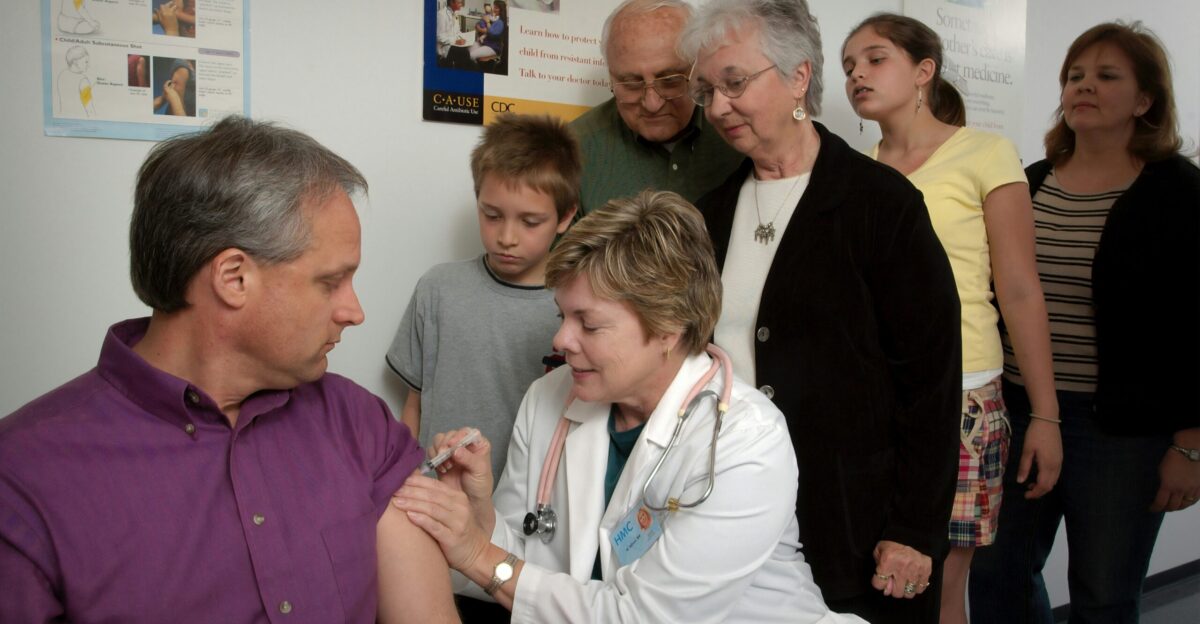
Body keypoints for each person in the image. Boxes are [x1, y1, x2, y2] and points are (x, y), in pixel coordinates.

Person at [0, 117, 458, 624]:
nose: (354, 311)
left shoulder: (359, 424)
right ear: (234, 278)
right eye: (331, 282)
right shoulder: (21, 481)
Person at [393, 191, 867, 624]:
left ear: (669, 328)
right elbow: (528, 563)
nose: (561, 340)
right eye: (563, 316)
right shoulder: (550, 396)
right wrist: (477, 516)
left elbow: (645, 618)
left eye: (589, 324)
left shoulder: (746, 440)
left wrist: (477, 552)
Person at [682, 1, 962, 622]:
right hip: (732, 509)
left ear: (799, 77)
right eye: (708, 90)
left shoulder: (881, 205)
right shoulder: (708, 215)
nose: (719, 106)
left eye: (735, 82)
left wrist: (916, 529)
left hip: (855, 520)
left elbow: (932, 382)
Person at [969, 21, 1200, 624]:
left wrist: (1192, 441)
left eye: (1106, 76)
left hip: (1121, 431)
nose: (1083, 87)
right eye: (1075, 76)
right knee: (998, 576)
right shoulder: (1029, 181)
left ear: (1146, 100)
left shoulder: (1180, 191)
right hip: (1018, 411)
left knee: (1103, 591)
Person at [840, 14, 1063, 624]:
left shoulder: (985, 152)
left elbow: (1018, 290)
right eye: (848, 65)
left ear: (923, 70)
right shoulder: (854, 172)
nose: (857, 72)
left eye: (875, 58)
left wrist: (1045, 414)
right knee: (871, 582)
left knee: (941, 590)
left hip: (962, 397)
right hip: (877, 398)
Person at [387, 113, 578, 481]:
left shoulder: (575, 308)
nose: (507, 236)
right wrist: (404, 483)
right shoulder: (438, 289)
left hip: (528, 508)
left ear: (565, 216)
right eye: (492, 215)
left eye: (530, 222)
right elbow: (415, 404)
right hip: (438, 494)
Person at [568, 0, 743, 215]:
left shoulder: (740, 128)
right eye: (631, 84)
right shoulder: (572, 150)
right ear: (611, 77)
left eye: (670, 81)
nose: (652, 104)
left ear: (698, 69)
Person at [437, 0, 468, 65]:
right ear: (451, 2)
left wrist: (465, 37)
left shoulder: (455, 13)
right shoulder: (441, 15)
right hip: (444, 48)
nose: (461, 5)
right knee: (464, 53)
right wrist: (455, 41)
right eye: (459, 3)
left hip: (453, 44)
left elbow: (457, 31)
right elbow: (439, 37)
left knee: (467, 48)